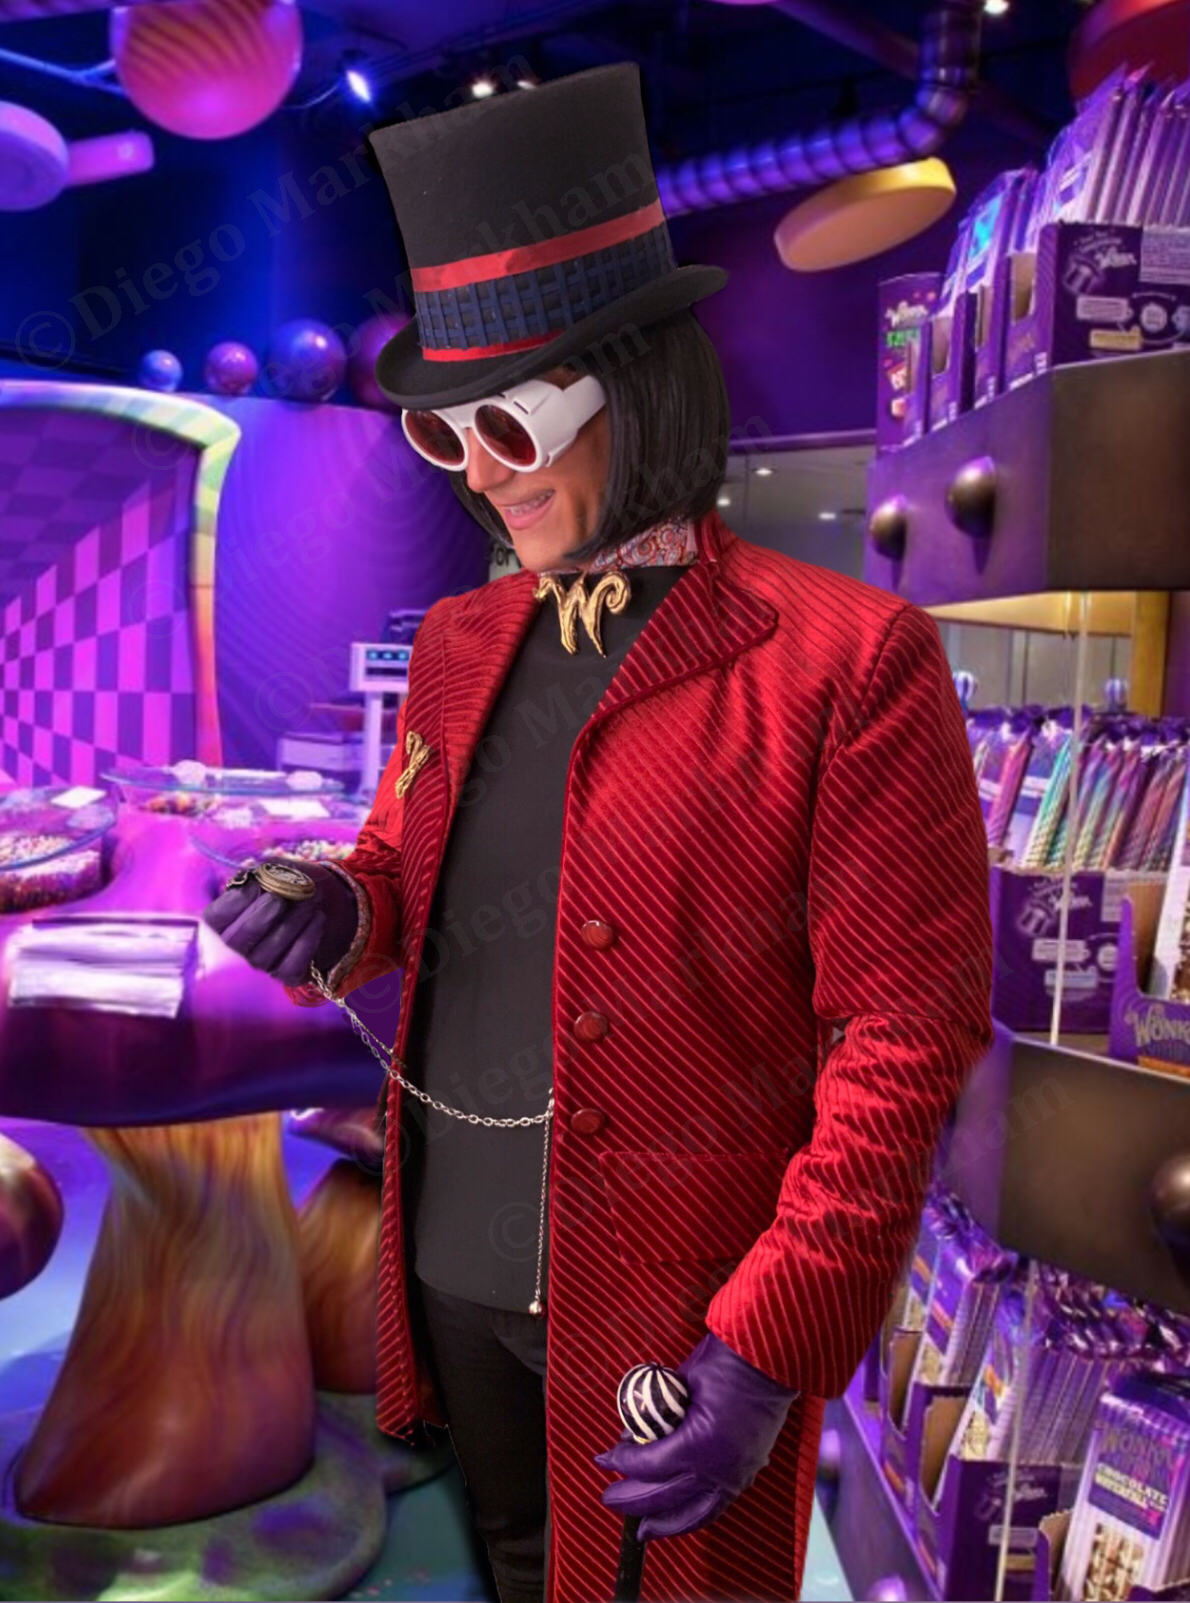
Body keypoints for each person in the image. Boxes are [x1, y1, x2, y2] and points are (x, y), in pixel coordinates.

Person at [202, 64, 994, 1603]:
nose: (484, 476)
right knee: (514, 1561)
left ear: (637, 390)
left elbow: (903, 1033)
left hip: (679, 1295)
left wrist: (768, 1342)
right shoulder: (460, 638)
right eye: (446, 437)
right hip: (453, 1253)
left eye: (510, 422)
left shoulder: (845, 660)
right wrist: (333, 906)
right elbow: (403, 865)